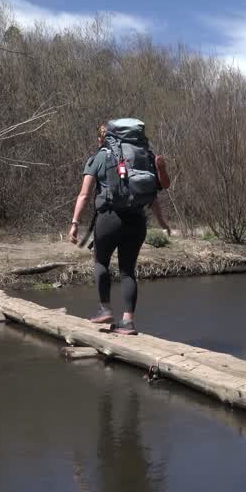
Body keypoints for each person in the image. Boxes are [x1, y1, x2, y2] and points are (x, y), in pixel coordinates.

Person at [68, 119, 171, 335]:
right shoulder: (143, 156)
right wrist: (162, 222)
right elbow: (153, 194)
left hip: (109, 219)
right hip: (137, 220)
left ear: (101, 139)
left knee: (101, 261)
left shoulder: (100, 157)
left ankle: (105, 308)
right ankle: (128, 322)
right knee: (127, 271)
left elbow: (85, 195)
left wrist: (75, 223)